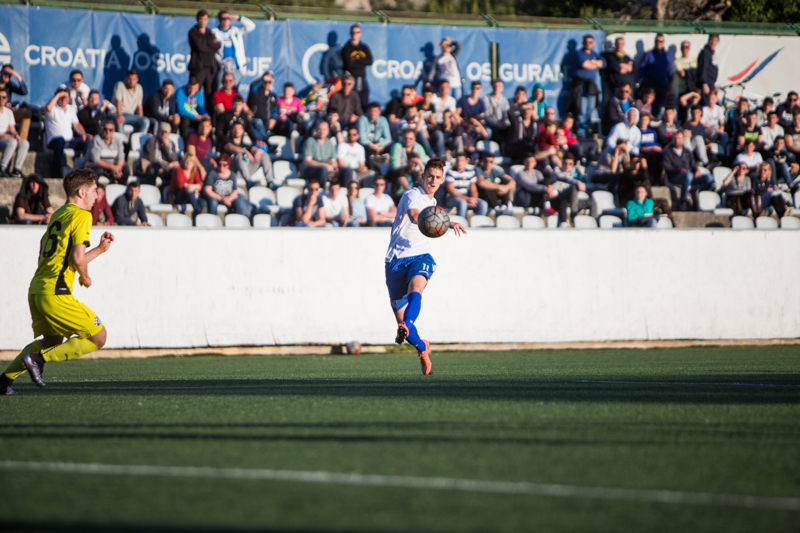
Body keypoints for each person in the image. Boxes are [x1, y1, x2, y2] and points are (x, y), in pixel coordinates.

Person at [0, 169, 114, 395]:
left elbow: (68, 258)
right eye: (94, 190)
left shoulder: (59, 215)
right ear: (81, 192)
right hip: (56, 293)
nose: (97, 195)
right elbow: (78, 259)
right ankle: (36, 359)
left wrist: (100, 250)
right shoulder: (83, 215)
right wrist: (85, 275)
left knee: (52, 340)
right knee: (99, 337)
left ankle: (3, 381)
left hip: (37, 290)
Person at [385, 158, 466, 375]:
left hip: (420, 256)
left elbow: (433, 219)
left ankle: (407, 323)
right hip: (395, 261)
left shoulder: (433, 202)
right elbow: (414, 216)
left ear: (442, 180)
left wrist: (451, 223)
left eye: (437, 177)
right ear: (422, 176)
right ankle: (422, 347)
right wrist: (425, 219)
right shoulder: (413, 195)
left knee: (416, 289)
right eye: (430, 175)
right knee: (405, 326)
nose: (433, 180)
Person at [663, 130, 714, 211]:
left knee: (709, 178)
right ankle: (683, 201)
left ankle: (700, 197)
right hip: (675, 177)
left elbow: (693, 165)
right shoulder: (668, 152)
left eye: (679, 138)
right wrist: (679, 170)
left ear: (683, 139)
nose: (677, 140)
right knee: (688, 175)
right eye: (675, 138)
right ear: (672, 139)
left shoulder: (687, 151)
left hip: (690, 176)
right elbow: (668, 169)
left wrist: (696, 170)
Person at [45, 86, 88, 178]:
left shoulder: (71, 109)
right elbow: (48, 108)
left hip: (70, 141)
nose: (64, 99)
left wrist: (84, 134)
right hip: (54, 141)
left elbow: (76, 125)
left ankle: (85, 169)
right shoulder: (53, 108)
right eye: (61, 97)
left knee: (87, 141)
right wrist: (59, 94)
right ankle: (56, 173)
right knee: (60, 140)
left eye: (66, 97)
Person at [211, 10, 256, 89]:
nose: (226, 21)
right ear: (219, 20)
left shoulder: (236, 30)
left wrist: (237, 17)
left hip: (235, 66)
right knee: (219, 88)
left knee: (234, 89)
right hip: (221, 66)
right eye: (223, 18)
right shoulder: (214, 32)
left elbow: (251, 26)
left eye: (228, 18)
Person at [572, 34, 606, 139]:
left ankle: (587, 132)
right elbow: (584, 65)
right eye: (586, 42)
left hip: (592, 87)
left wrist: (592, 62)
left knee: (590, 111)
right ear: (583, 43)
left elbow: (603, 64)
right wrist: (595, 64)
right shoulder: (579, 53)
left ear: (593, 43)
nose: (588, 44)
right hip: (581, 85)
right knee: (582, 111)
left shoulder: (595, 53)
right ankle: (581, 133)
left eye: (590, 42)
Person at [224, 121, 275, 188]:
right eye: (235, 128)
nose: (237, 131)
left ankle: (270, 182)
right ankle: (248, 181)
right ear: (231, 130)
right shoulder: (226, 142)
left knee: (264, 155)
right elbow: (229, 147)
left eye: (239, 128)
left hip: (245, 170)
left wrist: (259, 151)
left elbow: (254, 149)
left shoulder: (245, 145)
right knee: (238, 155)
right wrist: (245, 151)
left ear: (243, 131)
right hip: (232, 171)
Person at [188, 9, 221, 105]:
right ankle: (192, 117)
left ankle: (208, 117)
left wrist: (206, 43)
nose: (203, 21)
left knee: (209, 94)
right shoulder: (193, 32)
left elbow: (217, 46)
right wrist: (210, 44)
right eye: (201, 19)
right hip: (198, 68)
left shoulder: (209, 32)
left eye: (205, 19)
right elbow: (200, 47)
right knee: (194, 91)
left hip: (210, 68)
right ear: (197, 20)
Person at [637, 34, 673, 117]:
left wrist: (670, 81)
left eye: (660, 41)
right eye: (657, 41)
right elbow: (641, 68)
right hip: (650, 86)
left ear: (663, 42)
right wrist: (643, 80)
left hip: (662, 85)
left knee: (660, 107)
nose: (658, 43)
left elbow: (670, 69)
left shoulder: (667, 55)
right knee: (650, 107)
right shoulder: (648, 54)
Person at [443, 152, 488, 218]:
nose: (459, 163)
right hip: (452, 198)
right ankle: (461, 224)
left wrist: (473, 199)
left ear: (466, 161)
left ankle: (479, 224)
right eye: (457, 160)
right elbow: (451, 191)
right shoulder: (450, 172)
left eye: (462, 160)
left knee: (483, 204)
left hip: (466, 197)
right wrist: (467, 199)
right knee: (462, 203)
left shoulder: (470, 172)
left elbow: (473, 189)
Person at [86, 120, 129, 184]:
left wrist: (117, 168)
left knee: (125, 170)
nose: (107, 132)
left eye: (110, 130)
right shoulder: (96, 140)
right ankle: (95, 190)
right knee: (97, 171)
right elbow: (96, 160)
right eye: (105, 129)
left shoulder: (118, 140)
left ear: (114, 131)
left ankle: (122, 190)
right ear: (101, 130)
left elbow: (121, 158)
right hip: (98, 166)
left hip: (113, 166)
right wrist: (112, 167)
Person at [341, 24, 373, 110]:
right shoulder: (347, 48)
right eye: (353, 32)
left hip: (362, 77)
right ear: (350, 33)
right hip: (351, 78)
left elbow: (370, 61)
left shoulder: (364, 47)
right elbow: (349, 63)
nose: (355, 34)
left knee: (364, 97)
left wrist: (356, 60)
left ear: (360, 34)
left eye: (357, 32)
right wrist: (362, 61)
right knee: (352, 99)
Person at [390, 129, 429, 196]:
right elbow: (395, 165)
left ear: (414, 139)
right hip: (400, 171)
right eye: (405, 138)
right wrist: (409, 166)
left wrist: (418, 162)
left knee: (422, 175)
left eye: (410, 139)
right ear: (402, 138)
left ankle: (427, 194)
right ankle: (409, 190)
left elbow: (424, 165)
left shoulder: (419, 148)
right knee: (400, 171)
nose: (408, 140)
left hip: (415, 172)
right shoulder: (397, 146)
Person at [0, 88, 29, 177]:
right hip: (3, 138)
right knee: (12, 142)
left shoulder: (8, 112)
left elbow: (12, 129)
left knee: (24, 143)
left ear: (7, 99)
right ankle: (2, 168)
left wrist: (17, 136)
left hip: (5, 138)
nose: (1, 99)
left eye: (3, 97)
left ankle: (16, 170)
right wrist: (9, 137)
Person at [301, 121, 339, 189]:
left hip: (326, 169)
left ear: (328, 130)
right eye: (320, 129)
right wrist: (325, 165)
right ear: (316, 129)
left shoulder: (330, 143)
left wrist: (333, 166)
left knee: (344, 171)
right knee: (323, 170)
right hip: (310, 170)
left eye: (324, 129)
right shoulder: (310, 141)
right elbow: (307, 162)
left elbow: (333, 160)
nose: (322, 131)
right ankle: (322, 192)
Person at [0, 64, 31, 141]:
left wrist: (17, 75)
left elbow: (24, 92)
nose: (7, 76)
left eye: (9, 74)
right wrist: (2, 105)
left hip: (8, 113)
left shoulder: (9, 85)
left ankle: (21, 141)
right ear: (1, 72)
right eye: (5, 73)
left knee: (26, 112)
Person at [113, 69, 148, 134]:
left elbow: (139, 107)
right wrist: (119, 115)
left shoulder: (139, 88)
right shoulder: (120, 85)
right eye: (129, 79)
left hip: (130, 115)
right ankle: (124, 143)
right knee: (120, 121)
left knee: (145, 121)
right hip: (116, 114)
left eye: (134, 79)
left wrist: (140, 119)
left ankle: (137, 140)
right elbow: (118, 102)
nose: (131, 81)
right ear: (125, 78)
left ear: (137, 79)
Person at [247, 71, 277, 143]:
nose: (267, 84)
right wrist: (262, 79)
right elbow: (253, 85)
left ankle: (263, 143)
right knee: (258, 122)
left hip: (266, 122)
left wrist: (274, 119)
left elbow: (276, 109)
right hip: (254, 120)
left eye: (269, 82)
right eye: (265, 81)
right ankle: (267, 142)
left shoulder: (272, 95)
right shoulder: (256, 92)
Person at [696, 34, 720, 104]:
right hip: (706, 84)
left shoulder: (712, 53)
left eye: (715, 40)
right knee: (707, 104)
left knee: (714, 105)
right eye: (711, 40)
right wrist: (704, 83)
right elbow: (703, 68)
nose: (713, 42)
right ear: (708, 40)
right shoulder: (705, 52)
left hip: (711, 83)